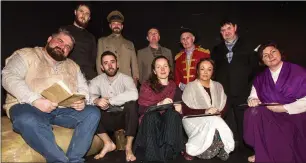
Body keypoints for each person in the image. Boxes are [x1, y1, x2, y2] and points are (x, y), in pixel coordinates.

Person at [1, 28, 101, 163]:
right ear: (49, 39)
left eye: (67, 46)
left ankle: (75, 159)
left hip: (62, 109)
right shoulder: (27, 54)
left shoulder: (73, 66)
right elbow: (8, 77)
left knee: (92, 113)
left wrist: (82, 100)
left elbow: (83, 88)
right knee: (27, 119)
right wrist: (35, 100)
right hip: (28, 106)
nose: (63, 47)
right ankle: (60, 160)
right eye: (60, 41)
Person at [244, 41, 306, 163]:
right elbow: (252, 96)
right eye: (265, 55)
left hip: (294, 114)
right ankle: (261, 151)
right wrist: (252, 100)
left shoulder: (299, 72)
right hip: (271, 114)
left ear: (280, 53)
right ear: (262, 61)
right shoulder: (260, 79)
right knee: (252, 112)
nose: (270, 56)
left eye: (273, 52)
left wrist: (284, 108)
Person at [211, 18, 259, 147]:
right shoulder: (216, 50)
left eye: (229, 28)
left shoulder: (248, 46)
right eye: (223, 30)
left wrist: (250, 91)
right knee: (222, 124)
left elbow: (255, 71)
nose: (226, 32)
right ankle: (224, 147)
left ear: (235, 28)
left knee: (244, 125)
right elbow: (213, 73)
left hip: (243, 93)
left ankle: (249, 148)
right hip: (223, 95)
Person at [133, 55, 185, 162]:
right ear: (154, 71)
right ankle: (153, 157)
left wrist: (180, 110)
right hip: (151, 123)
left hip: (168, 124)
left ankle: (168, 154)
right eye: (158, 67)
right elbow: (142, 110)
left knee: (172, 115)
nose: (162, 69)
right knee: (152, 116)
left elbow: (180, 107)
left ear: (169, 69)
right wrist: (160, 104)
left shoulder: (173, 87)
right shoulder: (146, 86)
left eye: (165, 66)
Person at [181, 58, 235, 161]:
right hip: (193, 119)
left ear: (213, 72)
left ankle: (220, 146)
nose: (205, 72)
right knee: (214, 120)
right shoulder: (190, 86)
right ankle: (192, 149)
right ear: (197, 71)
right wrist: (205, 111)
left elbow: (224, 106)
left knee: (214, 120)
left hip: (215, 119)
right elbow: (186, 111)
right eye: (202, 69)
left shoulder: (218, 86)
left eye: (209, 69)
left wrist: (219, 113)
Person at [89, 51, 138, 162]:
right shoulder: (97, 80)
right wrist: (96, 100)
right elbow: (88, 96)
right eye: (106, 63)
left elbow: (134, 94)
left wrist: (110, 101)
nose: (110, 65)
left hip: (124, 119)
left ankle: (128, 147)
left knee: (132, 105)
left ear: (117, 64)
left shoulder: (126, 79)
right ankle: (108, 143)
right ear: (102, 67)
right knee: (91, 110)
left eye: (112, 62)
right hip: (107, 120)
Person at [96, 10, 139, 85]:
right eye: (113, 23)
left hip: (126, 82)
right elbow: (99, 62)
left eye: (118, 24)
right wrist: (103, 82)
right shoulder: (102, 41)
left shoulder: (130, 44)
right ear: (110, 26)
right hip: (109, 82)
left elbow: (134, 65)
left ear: (122, 26)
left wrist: (135, 81)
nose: (116, 25)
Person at [62, 3, 97, 80]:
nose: (83, 15)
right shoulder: (64, 30)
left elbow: (93, 60)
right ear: (75, 12)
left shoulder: (91, 37)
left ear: (89, 18)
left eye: (87, 13)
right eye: (81, 11)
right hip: (68, 75)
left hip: (88, 78)